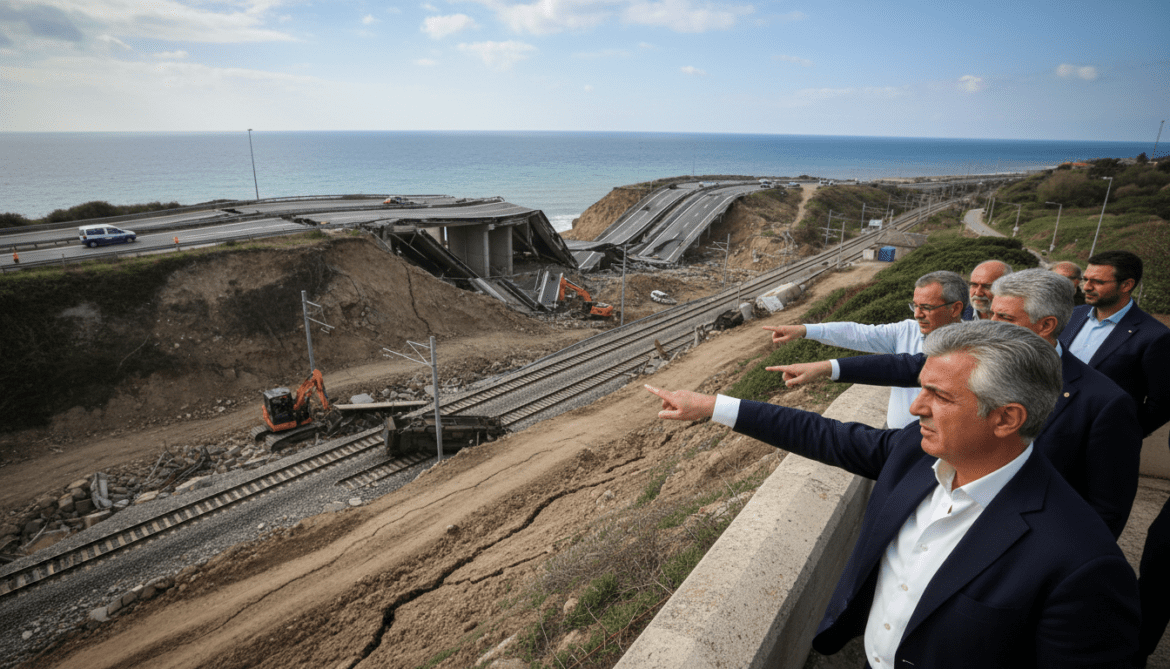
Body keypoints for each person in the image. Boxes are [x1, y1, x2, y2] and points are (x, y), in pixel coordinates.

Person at [645, 320, 1139, 668]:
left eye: (941, 397)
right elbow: (828, 435)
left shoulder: (1080, 561)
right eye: (921, 388)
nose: (917, 407)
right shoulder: (914, 453)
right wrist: (713, 405)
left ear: (1007, 418)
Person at [779, 269, 1142, 537]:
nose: (988, 324)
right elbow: (905, 365)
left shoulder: (1105, 404)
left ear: (1046, 324)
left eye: (1003, 318)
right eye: (990, 313)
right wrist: (827, 368)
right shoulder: (974, 359)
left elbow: (1105, 513)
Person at [761, 270, 966, 429]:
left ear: (955, 309)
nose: (917, 315)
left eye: (926, 308)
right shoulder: (906, 331)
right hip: (897, 439)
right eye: (915, 306)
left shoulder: (973, 350)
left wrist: (826, 367)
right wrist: (805, 330)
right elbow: (857, 333)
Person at [1060, 250, 1170, 437]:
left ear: (1126, 285)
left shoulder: (1155, 336)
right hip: (1051, 432)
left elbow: (1162, 403)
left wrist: (1124, 434)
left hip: (1100, 443)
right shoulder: (1072, 315)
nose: (1086, 287)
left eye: (1098, 282)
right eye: (1086, 279)